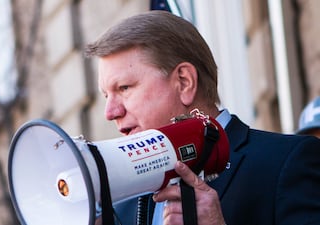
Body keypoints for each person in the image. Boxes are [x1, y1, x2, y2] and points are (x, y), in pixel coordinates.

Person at [84, 10, 320, 225]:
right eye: (106, 95)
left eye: (124, 88)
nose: (110, 112)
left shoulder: (287, 162)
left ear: (184, 82)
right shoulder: (121, 204)